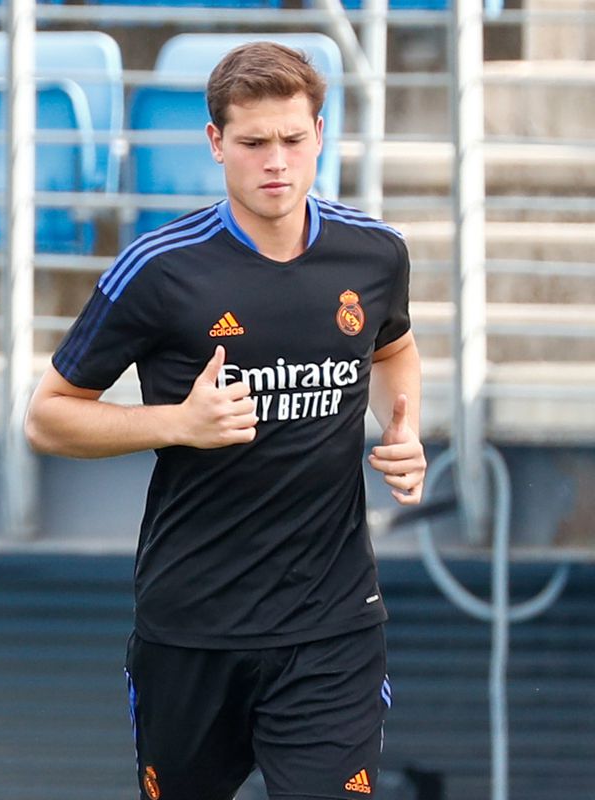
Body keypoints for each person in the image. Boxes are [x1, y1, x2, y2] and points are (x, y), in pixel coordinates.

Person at [25, 42, 425, 800]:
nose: (275, 161)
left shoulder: (373, 253)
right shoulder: (159, 268)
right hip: (192, 629)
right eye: (252, 143)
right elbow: (47, 419)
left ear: (319, 133)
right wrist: (178, 423)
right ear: (216, 144)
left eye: (293, 139)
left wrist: (402, 433)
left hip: (330, 624)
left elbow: (393, 349)